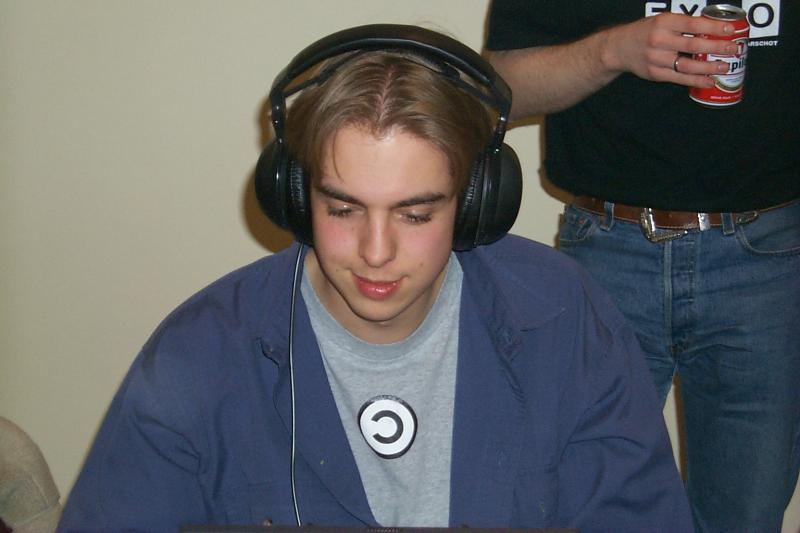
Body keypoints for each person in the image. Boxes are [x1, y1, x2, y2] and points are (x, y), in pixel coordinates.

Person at [58, 24, 693, 532]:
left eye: (416, 213)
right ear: (293, 195)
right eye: (342, 209)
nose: (376, 252)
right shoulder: (201, 351)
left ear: (475, 203)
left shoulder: (564, 316)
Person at [485, 2, 800, 532]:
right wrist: (614, 50)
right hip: (607, 252)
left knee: (744, 519)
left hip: (769, 258)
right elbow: (498, 92)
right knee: (575, 509)